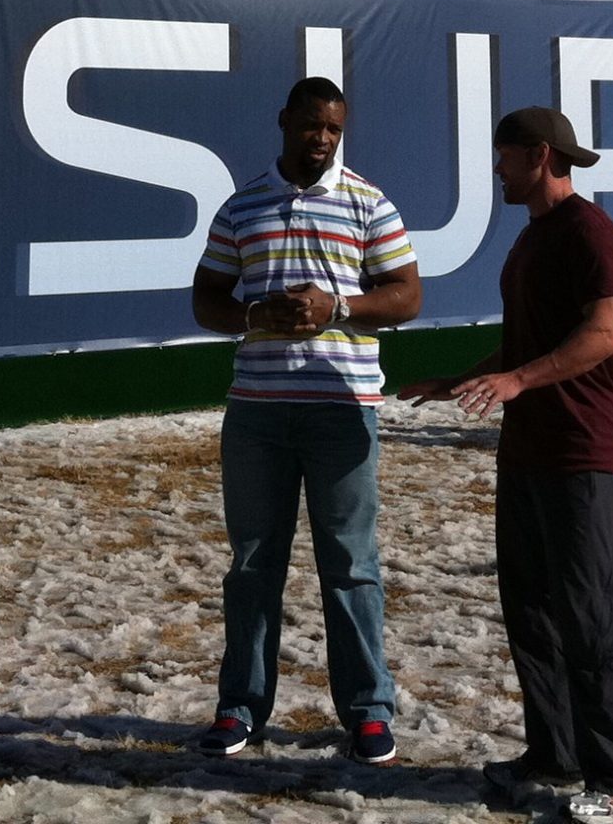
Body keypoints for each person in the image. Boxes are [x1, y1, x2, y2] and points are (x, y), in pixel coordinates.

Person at [399, 106, 613, 823]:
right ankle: (555, 755)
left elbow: (603, 335)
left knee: (593, 617)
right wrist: (457, 382)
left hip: (581, 455)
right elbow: (522, 347)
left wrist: (518, 382)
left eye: (504, 156)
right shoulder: (531, 240)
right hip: (528, 456)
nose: (497, 170)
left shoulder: (593, 233)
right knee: (533, 615)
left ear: (540, 155)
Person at [187, 76, 423, 765]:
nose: (321, 139)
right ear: (285, 121)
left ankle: (368, 712)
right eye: (311, 125)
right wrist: (253, 316)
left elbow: (407, 296)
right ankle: (240, 709)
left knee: (351, 564)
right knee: (252, 565)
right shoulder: (244, 205)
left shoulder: (369, 203)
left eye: (333, 129)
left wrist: (338, 308)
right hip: (258, 414)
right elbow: (205, 299)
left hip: (342, 412)